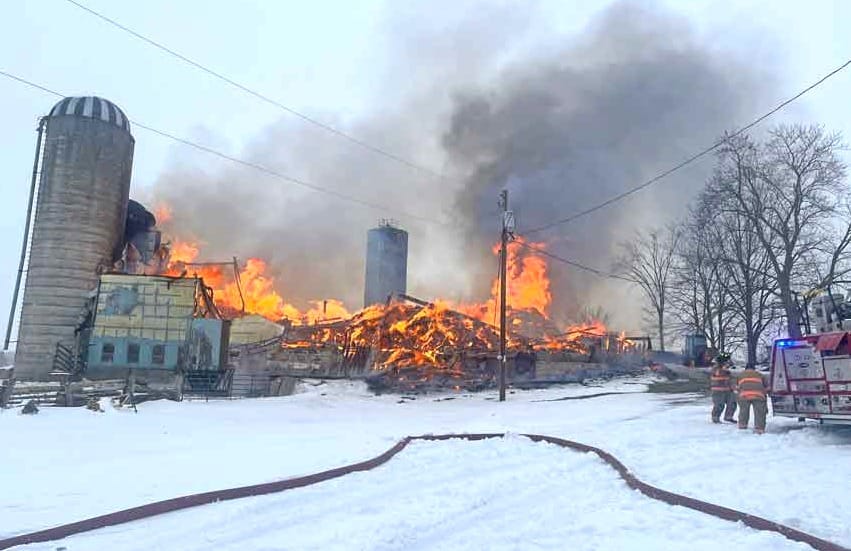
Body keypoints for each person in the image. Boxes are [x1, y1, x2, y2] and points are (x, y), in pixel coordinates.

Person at [737, 365, 769, 434]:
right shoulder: (760, 375)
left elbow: (737, 386)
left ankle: (742, 425)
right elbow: (766, 387)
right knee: (759, 412)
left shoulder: (740, 375)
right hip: (758, 395)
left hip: (744, 395)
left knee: (743, 410)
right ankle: (759, 428)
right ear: (754, 369)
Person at [709, 353, 734, 424]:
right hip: (718, 390)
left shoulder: (726, 370)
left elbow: (729, 379)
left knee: (732, 403)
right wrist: (724, 368)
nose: (728, 363)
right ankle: (715, 418)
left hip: (728, 390)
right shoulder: (716, 368)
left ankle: (729, 417)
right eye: (726, 361)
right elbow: (718, 374)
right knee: (719, 405)